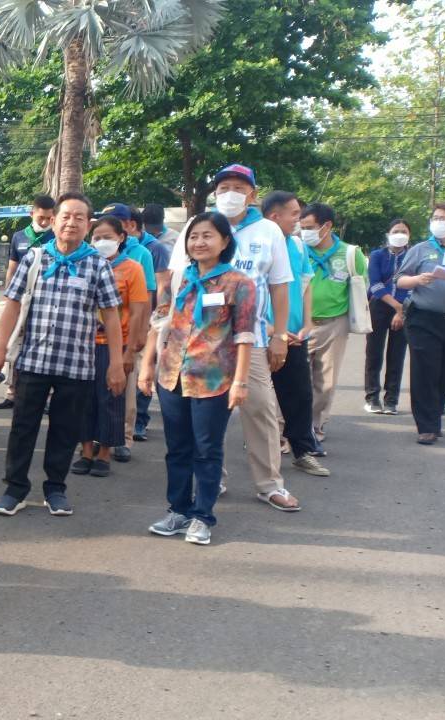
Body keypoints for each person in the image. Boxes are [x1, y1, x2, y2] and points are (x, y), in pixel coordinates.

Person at [166, 164, 301, 511]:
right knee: (204, 417)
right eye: (224, 186)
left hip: (250, 339)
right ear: (214, 193)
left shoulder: (269, 231)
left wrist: (280, 336)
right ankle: (213, 478)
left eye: (239, 188)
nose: (231, 193)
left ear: (252, 194)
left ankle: (269, 483)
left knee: (260, 408)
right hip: (199, 345)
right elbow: (177, 280)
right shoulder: (198, 228)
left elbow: (280, 286)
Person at [0, 192, 125, 517]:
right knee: (23, 427)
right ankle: (15, 489)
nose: (71, 222)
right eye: (66, 215)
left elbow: (112, 316)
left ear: (87, 225)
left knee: (65, 429)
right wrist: (0, 349)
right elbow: (14, 304)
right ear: (54, 220)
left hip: (77, 365)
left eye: (79, 217)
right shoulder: (35, 258)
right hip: (33, 361)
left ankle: (55, 489)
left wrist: (116, 363)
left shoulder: (97, 265)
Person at [140, 213, 256, 546]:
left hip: (214, 380)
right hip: (172, 376)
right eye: (194, 237)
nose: (199, 243)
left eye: (207, 236)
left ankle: (203, 517)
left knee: (206, 450)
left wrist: (241, 382)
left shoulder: (239, 283)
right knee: (177, 449)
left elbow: (245, 335)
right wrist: (147, 367)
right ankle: (178, 510)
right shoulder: (178, 280)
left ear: (224, 241)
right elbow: (158, 324)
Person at [72, 217, 149, 478]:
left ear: (121, 238)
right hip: (83, 344)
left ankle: (104, 452)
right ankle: (85, 451)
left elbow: (138, 311)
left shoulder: (133, 269)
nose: (101, 242)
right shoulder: (83, 265)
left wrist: (129, 351)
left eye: (107, 237)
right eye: (96, 238)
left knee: (111, 398)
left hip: (115, 344)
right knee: (83, 399)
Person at [261, 190, 329, 476]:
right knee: (257, 399)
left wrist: (307, 323)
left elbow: (306, 283)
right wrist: (270, 328)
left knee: (299, 395)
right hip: (259, 333)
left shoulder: (298, 246)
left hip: (293, 334)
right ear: (274, 216)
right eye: (294, 215)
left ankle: (303, 450)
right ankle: (261, 454)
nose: (298, 221)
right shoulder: (255, 243)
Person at [395, 201, 445, 444]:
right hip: (423, 318)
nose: (437, 222)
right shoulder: (421, 249)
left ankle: (434, 414)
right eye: (435, 217)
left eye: (444, 218)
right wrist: (417, 279)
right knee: (426, 370)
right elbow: (400, 280)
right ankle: (427, 426)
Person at [299, 202, 366, 444]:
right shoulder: (297, 249)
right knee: (296, 380)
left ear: (327, 226)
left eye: (309, 227)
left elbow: (360, 286)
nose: (304, 231)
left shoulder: (349, 253)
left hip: (334, 323)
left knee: (325, 381)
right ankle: (287, 428)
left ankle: (316, 426)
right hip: (298, 324)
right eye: (301, 226)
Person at [0, 195, 56, 410]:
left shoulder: (55, 237)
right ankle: (11, 392)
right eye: (41, 217)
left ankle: (47, 397)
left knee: (42, 344)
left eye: (49, 218)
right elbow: (12, 267)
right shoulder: (20, 236)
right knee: (14, 344)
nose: (44, 222)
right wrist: (10, 296)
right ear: (32, 213)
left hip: (43, 301)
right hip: (20, 300)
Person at [119, 206, 170, 454]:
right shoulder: (97, 252)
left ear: (129, 225)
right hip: (105, 330)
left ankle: (135, 426)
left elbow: (159, 288)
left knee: (138, 378)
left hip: (141, 324)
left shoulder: (150, 250)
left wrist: (153, 324)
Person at [364, 219, 412, 415]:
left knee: (397, 355)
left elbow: (415, 286)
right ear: (388, 234)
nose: (399, 234)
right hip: (379, 306)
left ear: (409, 235)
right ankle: (372, 397)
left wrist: (402, 311)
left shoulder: (413, 256)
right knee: (374, 353)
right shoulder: (377, 255)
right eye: (396, 230)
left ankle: (391, 399)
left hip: (406, 308)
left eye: (404, 231)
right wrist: (396, 306)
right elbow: (375, 284)